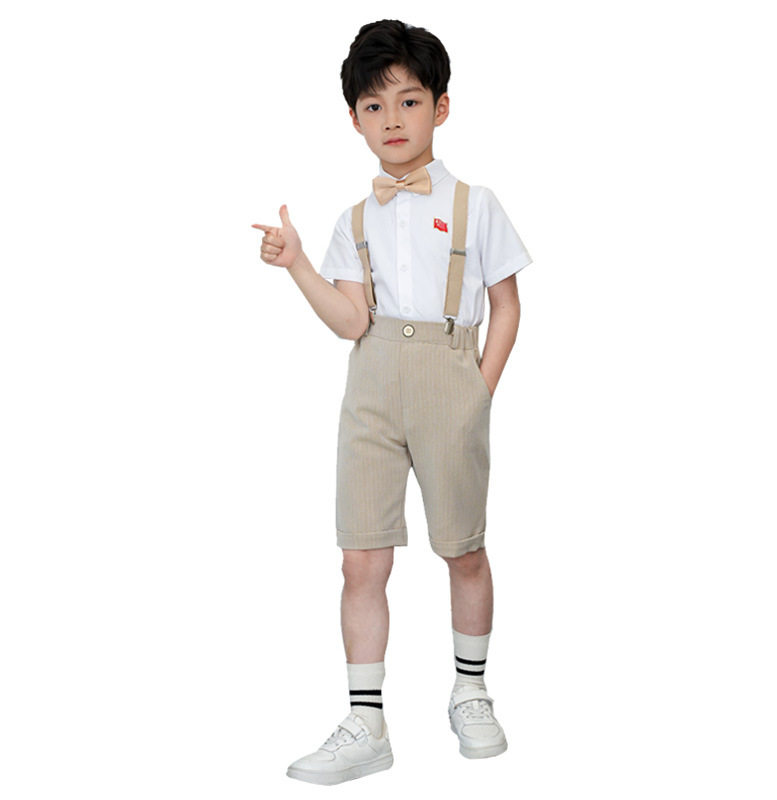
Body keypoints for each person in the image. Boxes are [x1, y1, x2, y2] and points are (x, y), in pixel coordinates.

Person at [252, 19, 532, 785]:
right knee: (361, 556)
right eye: (374, 107)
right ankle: (366, 720)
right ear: (354, 120)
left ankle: (470, 691)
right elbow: (351, 321)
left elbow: (507, 306)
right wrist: (299, 265)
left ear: (441, 107)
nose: (393, 120)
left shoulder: (476, 204)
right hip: (370, 387)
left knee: (462, 547)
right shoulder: (355, 220)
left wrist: (478, 391)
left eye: (409, 101)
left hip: (451, 378)